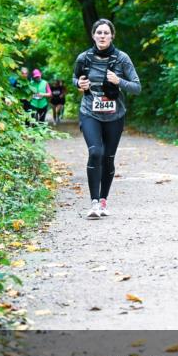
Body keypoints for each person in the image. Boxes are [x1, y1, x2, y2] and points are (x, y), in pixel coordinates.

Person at [73, 19, 141, 219]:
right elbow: (75, 78)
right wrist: (80, 84)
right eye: (99, 32)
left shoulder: (122, 59)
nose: (102, 36)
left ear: (112, 36)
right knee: (95, 152)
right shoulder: (84, 58)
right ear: (93, 35)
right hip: (89, 112)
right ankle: (94, 203)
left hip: (114, 115)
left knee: (108, 157)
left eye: (106, 33)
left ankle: (103, 201)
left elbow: (137, 87)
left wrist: (118, 81)